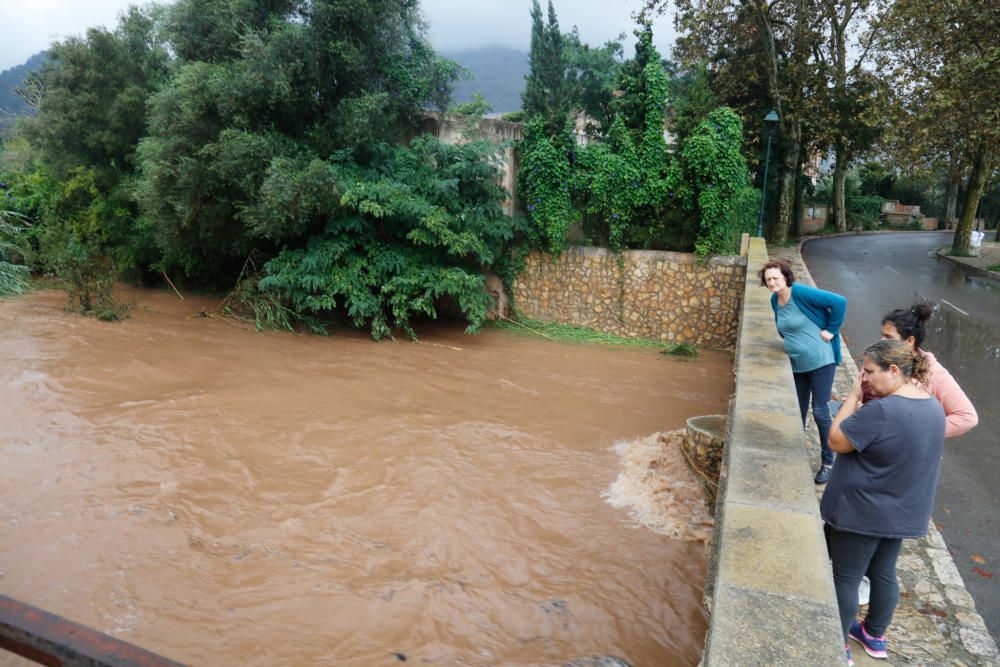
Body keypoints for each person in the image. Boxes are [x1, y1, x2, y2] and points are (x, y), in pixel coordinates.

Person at [823, 339, 946, 661]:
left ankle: (836, 645)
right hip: (900, 512)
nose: (864, 377)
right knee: (883, 572)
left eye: (868, 371)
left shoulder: (882, 411)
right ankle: (874, 635)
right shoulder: (933, 406)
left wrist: (853, 397)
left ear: (893, 370)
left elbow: (836, 440)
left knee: (846, 577)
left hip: (860, 512)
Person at [760, 260, 848, 484]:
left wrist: (831, 330)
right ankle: (794, 453)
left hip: (821, 362)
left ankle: (828, 463)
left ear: (786, 277)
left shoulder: (800, 293)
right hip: (798, 364)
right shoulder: (775, 300)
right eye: (768, 279)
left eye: (775, 278)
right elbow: (784, 329)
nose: (772, 282)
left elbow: (839, 302)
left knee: (820, 412)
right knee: (797, 410)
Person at [874, 302, 978, 438]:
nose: (881, 342)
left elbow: (967, 417)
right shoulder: (878, 360)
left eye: (889, 337)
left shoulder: (933, 372)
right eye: (882, 335)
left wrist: (918, 432)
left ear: (910, 341)